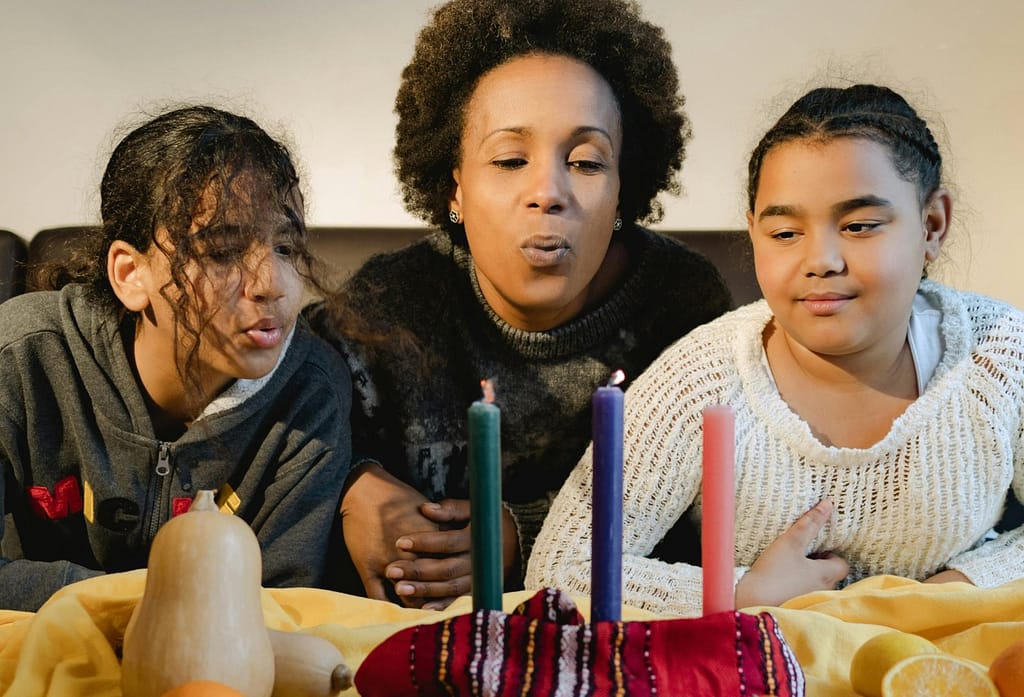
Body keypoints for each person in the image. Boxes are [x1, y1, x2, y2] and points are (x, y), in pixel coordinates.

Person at [527, 83, 1024, 617]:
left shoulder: (999, 353)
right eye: (785, 233)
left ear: (932, 225)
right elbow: (562, 567)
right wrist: (737, 594)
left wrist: (959, 586)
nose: (821, 260)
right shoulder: (701, 379)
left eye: (858, 226)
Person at [308, 0, 731, 609]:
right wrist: (350, 486)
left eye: (586, 162)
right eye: (510, 160)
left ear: (623, 190)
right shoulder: (383, 308)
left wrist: (521, 537)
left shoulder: (684, 310)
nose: (548, 193)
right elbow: (270, 433)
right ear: (455, 183)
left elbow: (707, 538)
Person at [0, 106, 353, 612]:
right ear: (130, 274)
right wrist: (145, 601)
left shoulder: (311, 391)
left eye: (285, 246)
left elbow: (274, 612)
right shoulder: (21, 357)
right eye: (223, 251)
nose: (272, 284)